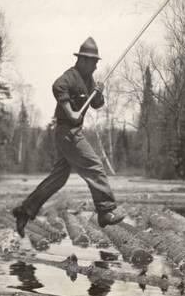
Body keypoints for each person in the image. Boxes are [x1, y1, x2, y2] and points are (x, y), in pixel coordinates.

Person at [12, 37, 124, 237]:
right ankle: (105, 211)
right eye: (93, 61)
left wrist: (99, 93)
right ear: (83, 60)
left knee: (58, 180)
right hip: (68, 133)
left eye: (97, 62)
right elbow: (57, 86)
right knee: (94, 166)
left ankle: (25, 211)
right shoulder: (71, 76)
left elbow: (97, 105)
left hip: (72, 134)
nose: (96, 65)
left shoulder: (88, 80)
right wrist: (69, 111)